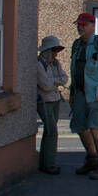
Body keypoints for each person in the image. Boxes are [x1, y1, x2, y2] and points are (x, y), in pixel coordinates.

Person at [68, 13, 98, 179]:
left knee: (95, 128)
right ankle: (92, 159)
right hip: (80, 93)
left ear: (92, 26)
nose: (80, 27)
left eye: (83, 25)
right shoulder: (77, 45)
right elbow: (75, 70)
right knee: (80, 126)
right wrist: (72, 92)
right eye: (78, 25)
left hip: (97, 94)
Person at [35, 35, 68, 174]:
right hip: (44, 101)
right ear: (47, 50)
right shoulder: (38, 64)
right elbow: (45, 85)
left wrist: (54, 82)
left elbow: (65, 78)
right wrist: (56, 82)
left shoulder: (55, 63)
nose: (56, 54)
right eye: (54, 50)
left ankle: (45, 162)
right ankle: (49, 164)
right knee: (52, 131)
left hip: (55, 100)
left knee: (49, 132)